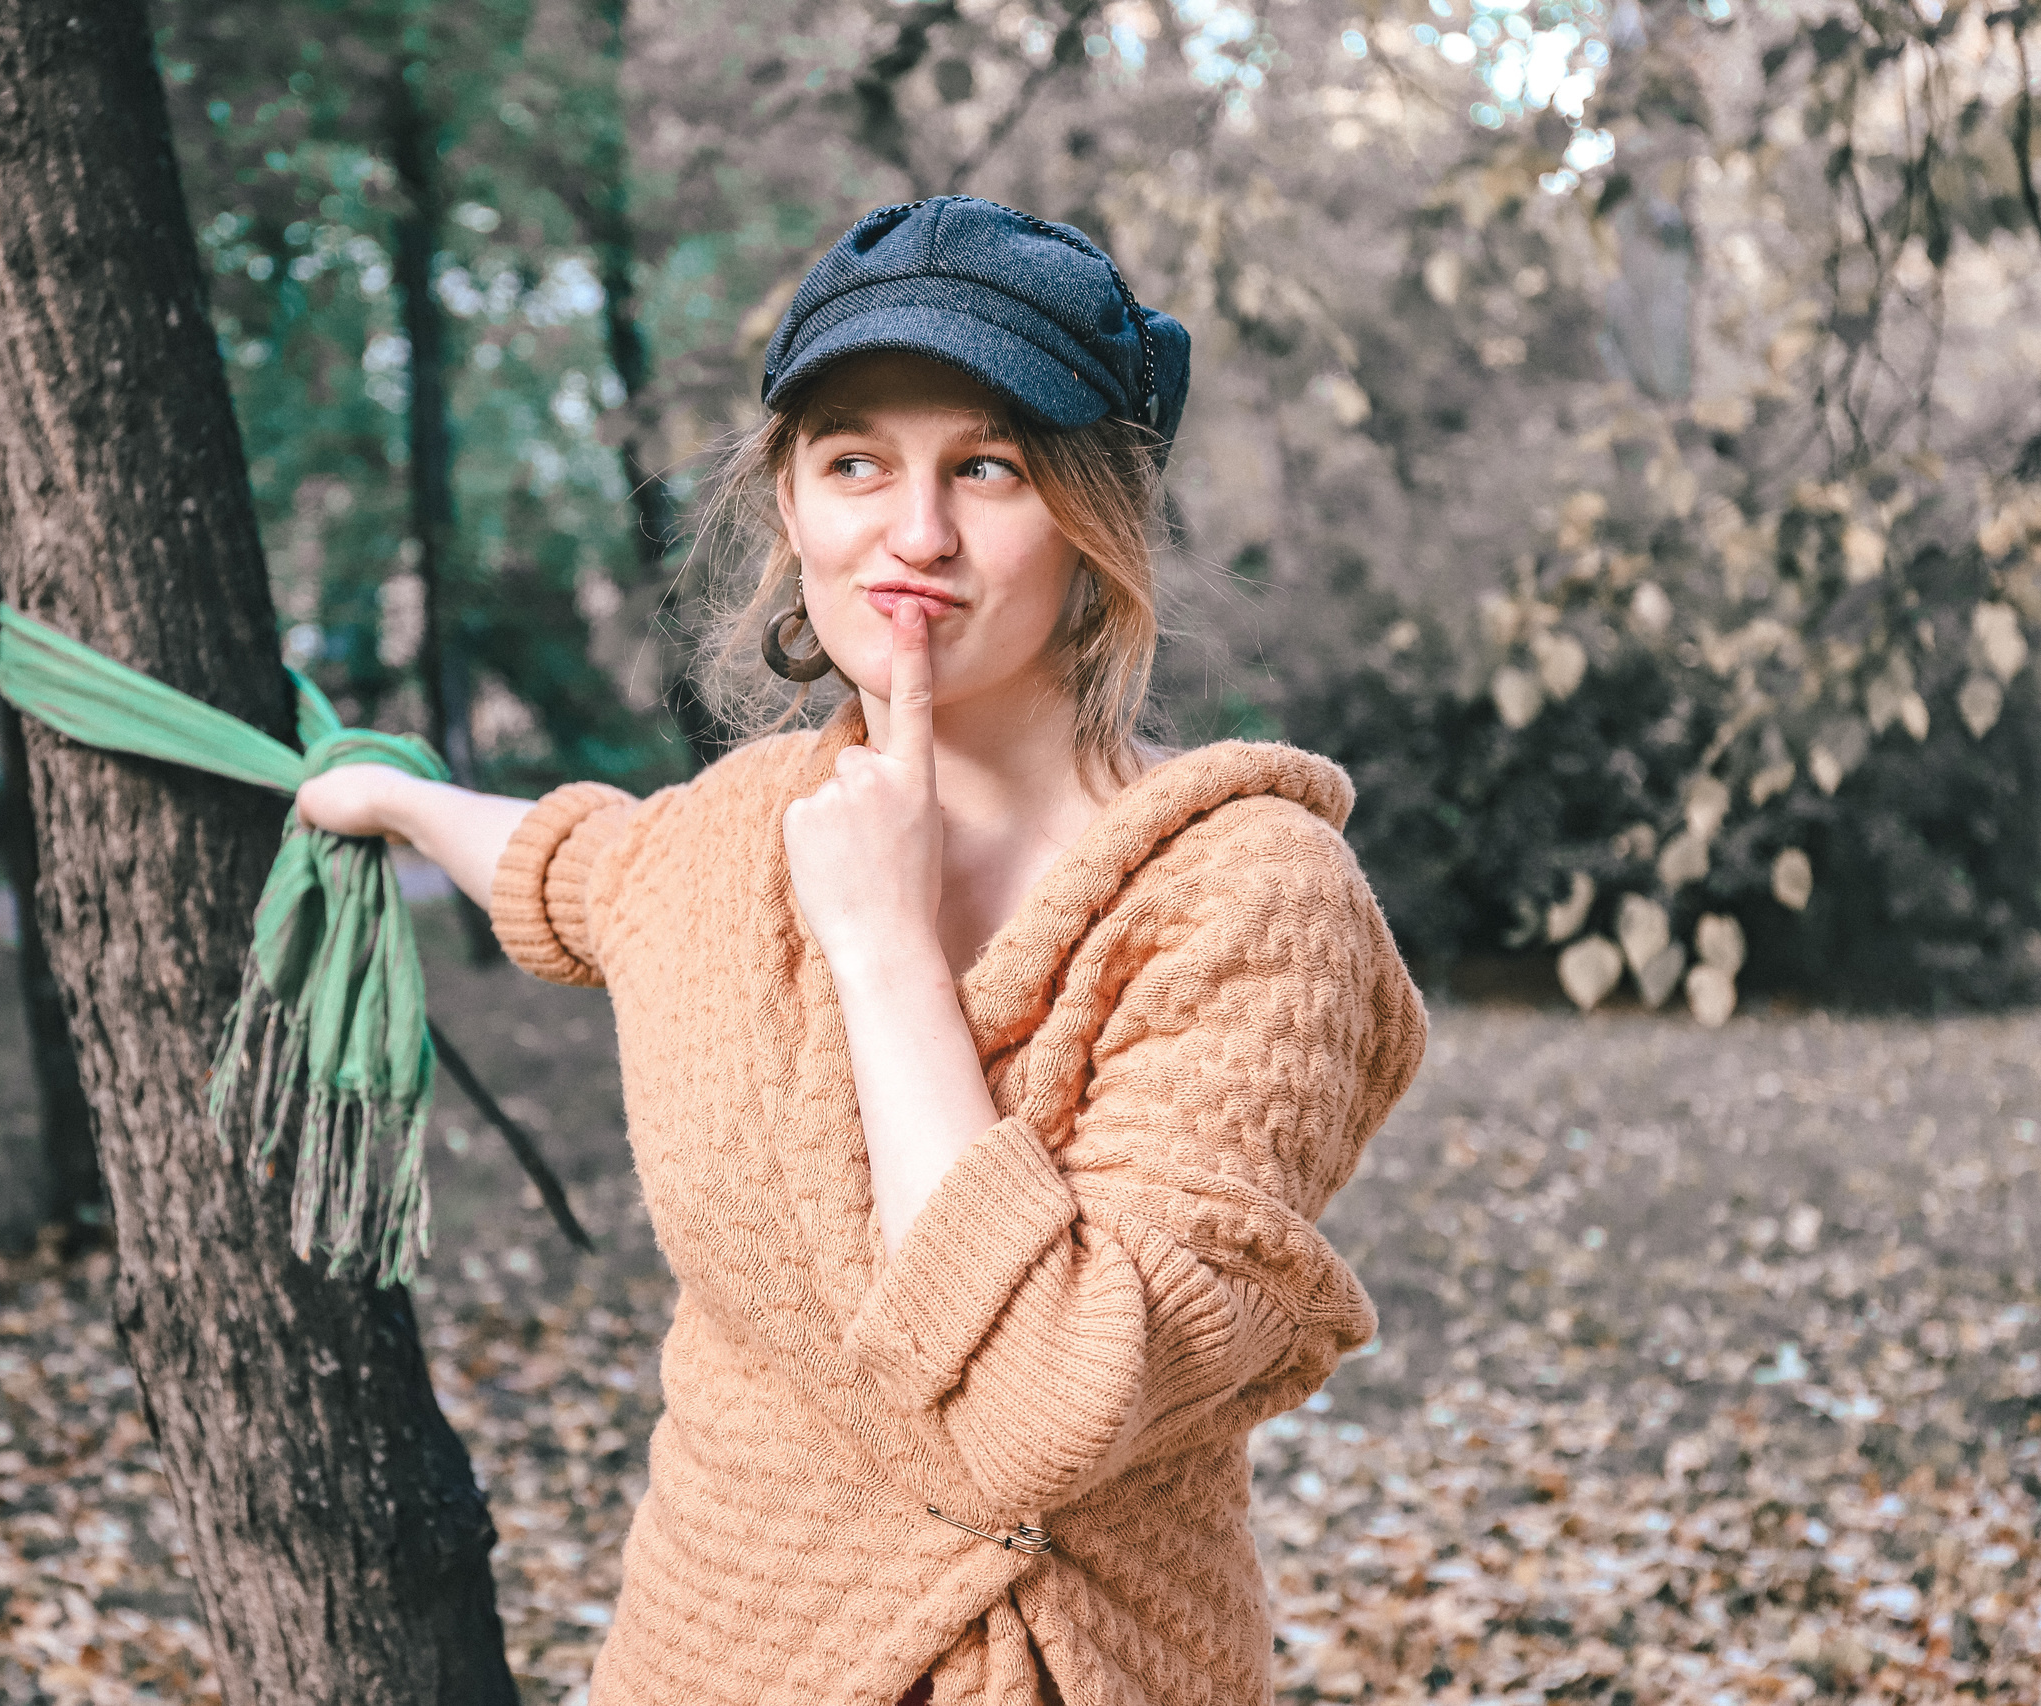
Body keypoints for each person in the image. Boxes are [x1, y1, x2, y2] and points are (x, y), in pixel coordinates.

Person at [298, 196, 1428, 1706]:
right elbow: (574, 865)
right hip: (698, 1655)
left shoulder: (1245, 897)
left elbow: (1041, 1401)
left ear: (1098, 518)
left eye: (989, 465)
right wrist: (386, 793)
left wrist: (885, 939)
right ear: (790, 509)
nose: (917, 534)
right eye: (855, 463)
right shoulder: (743, 825)